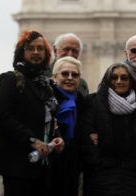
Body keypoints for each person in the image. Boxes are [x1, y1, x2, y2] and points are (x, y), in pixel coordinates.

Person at [0, 30, 65, 196]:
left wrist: (57, 137)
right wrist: (32, 141)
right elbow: (3, 116)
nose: (35, 52)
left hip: (44, 165)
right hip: (18, 165)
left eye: (40, 49)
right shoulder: (10, 79)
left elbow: (50, 118)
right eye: (30, 48)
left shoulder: (46, 85)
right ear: (21, 52)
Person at [81, 63, 136, 196]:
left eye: (124, 78)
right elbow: (85, 134)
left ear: (131, 81)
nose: (119, 82)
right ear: (108, 80)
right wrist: (98, 162)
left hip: (133, 174)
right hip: (102, 173)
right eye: (114, 78)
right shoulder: (93, 102)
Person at [50, 56, 86, 196]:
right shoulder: (46, 98)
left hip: (72, 164)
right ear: (54, 77)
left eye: (74, 75)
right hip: (49, 163)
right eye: (65, 74)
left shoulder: (83, 103)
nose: (70, 78)